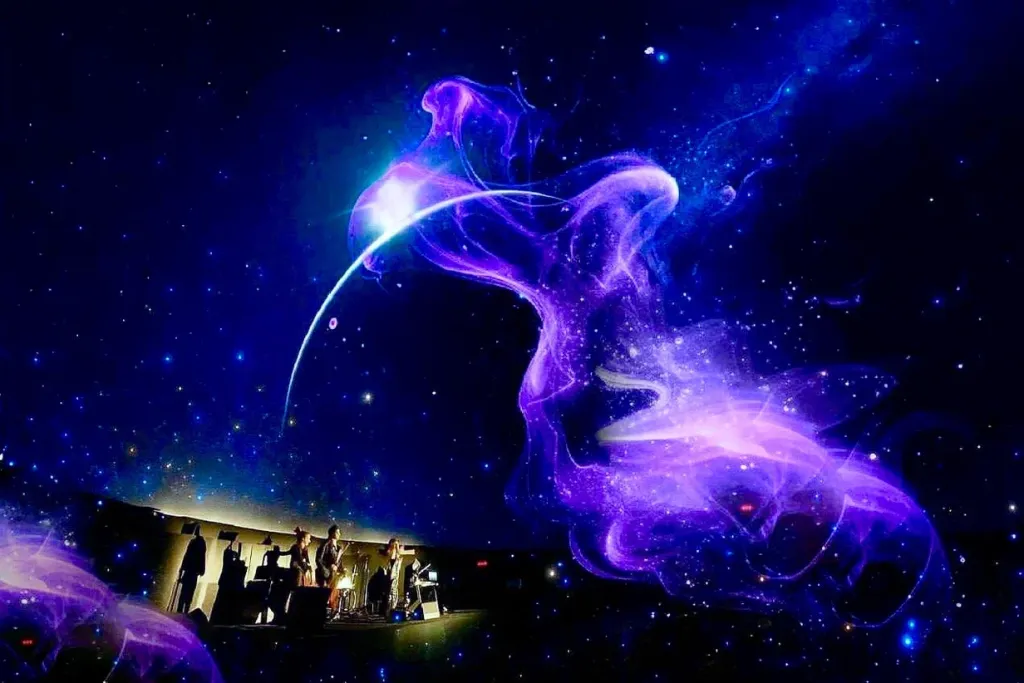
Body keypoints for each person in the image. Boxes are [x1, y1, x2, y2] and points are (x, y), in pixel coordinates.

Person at [175, 525, 207, 613]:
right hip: (192, 571)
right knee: (188, 592)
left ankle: (182, 610)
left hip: (191, 571)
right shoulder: (198, 543)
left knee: (186, 592)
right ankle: (183, 610)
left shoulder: (196, 543)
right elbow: (193, 557)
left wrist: (183, 568)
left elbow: (188, 556)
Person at [381, 538, 414, 612]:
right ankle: (390, 609)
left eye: (396, 545)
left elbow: (410, 552)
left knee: (393, 591)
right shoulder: (390, 553)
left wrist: (398, 548)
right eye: (394, 545)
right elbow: (391, 555)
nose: (395, 546)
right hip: (391, 575)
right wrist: (396, 547)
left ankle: (392, 608)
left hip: (394, 575)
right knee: (391, 591)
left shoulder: (398, 554)